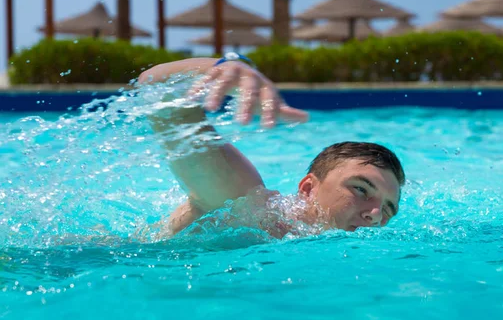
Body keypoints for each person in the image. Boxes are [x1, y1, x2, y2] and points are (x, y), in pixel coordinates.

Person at [138, 53, 405, 238]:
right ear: (308, 189)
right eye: (361, 189)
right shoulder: (248, 207)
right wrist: (227, 66)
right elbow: (155, 89)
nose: (374, 215)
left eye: (388, 208)